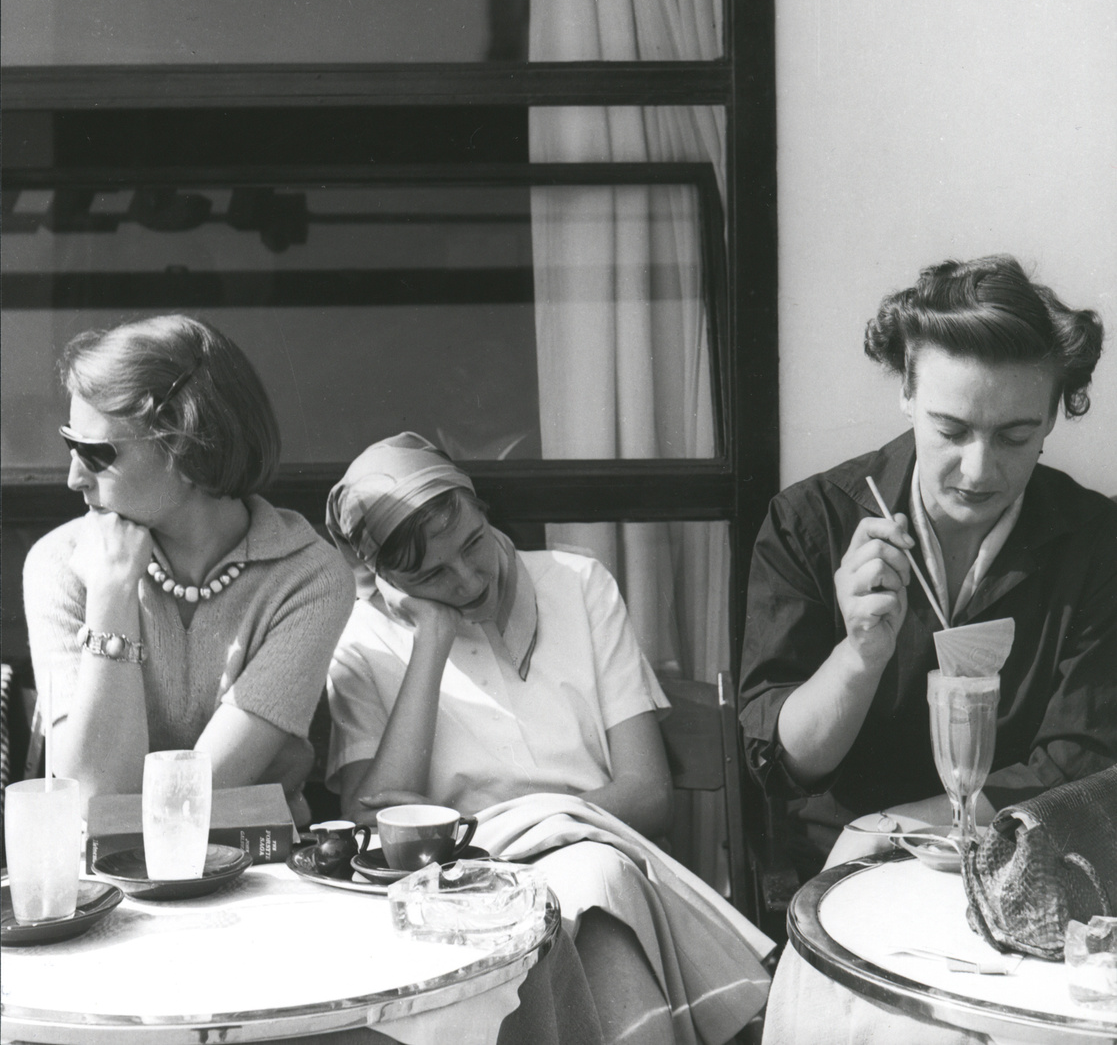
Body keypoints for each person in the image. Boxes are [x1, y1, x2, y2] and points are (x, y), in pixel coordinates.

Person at [739, 255, 1116, 1045]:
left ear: (1055, 414)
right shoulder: (810, 523)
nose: (979, 471)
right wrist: (859, 652)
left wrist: (904, 824)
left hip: (1025, 886)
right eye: (950, 431)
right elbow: (782, 762)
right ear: (906, 390)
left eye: (1015, 435)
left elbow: (1078, 758)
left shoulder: (1096, 544)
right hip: (841, 885)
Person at [325, 432, 772, 1045]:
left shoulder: (579, 584)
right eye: (432, 574)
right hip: (457, 904)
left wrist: (529, 831)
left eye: (473, 543)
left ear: (483, 509)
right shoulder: (363, 644)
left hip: (597, 863)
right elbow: (378, 829)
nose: (466, 578)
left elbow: (647, 794)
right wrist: (431, 643)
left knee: (591, 879)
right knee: (591, 887)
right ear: (389, 578)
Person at [24, 315, 355, 820]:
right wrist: (112, 593)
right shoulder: (60, 562)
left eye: (92, 453)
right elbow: (94, 802)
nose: (73, 479)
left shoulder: (309, 578)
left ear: (186, 446)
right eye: (72, 445)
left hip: (262, 875)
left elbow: (181, 808)